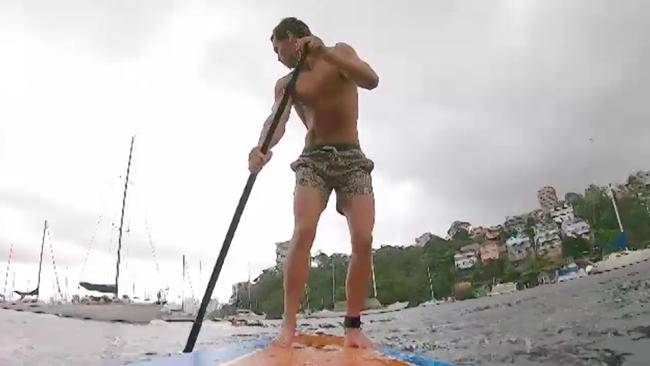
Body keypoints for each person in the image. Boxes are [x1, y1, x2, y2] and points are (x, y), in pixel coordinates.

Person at [248, 17, 379, 349]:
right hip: (313, 160)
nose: (277, 57)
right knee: (304, 230)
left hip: (352, 159)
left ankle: (352, 326)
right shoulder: (287, 83)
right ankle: (288, 325)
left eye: (278, 49)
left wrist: (326, 54)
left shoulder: (340, 53)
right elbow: (276, 122)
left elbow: (371, 80)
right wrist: (261, 149)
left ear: (292, 39)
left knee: (363, 238)